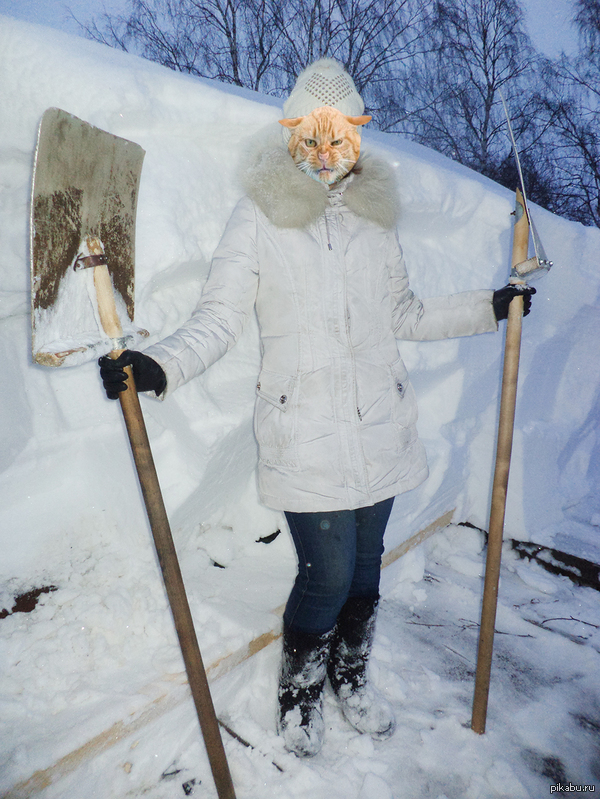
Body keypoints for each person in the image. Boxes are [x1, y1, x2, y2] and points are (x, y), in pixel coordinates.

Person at [99, 59, 534, 758]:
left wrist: (489, 307)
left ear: (359, 137)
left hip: (381, 430)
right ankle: (300, 693)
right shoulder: (260, 216)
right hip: (305, 436)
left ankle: (350, 676)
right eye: (312, 139)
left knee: (365, 573)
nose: (327, 156)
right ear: (290, 134)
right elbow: (219, 316)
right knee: (326, 575)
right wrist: (161, 364)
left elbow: (406, 311)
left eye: (342, 140)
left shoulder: (373, 220)